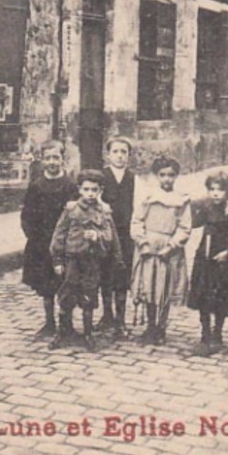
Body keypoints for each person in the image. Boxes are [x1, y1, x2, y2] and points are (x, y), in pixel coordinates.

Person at [49, 169, 124, 350]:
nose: (90, 194)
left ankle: (88, 334)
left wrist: (97, 236)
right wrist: (57, 260)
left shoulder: (104, 212)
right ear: (79, 190)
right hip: (71, 260)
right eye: (86, 189)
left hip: (92, 262)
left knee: (89, 297)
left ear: (100, 191)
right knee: (67, 296)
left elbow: (110, 236)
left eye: (94, 190)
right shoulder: (71, 210)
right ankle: (64, 332)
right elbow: (59, 235)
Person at [130, 155, 192, 346]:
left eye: (171, 175)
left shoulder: (181, 201)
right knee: (148, 287)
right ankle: (150, 326)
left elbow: (185, 228)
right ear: (156, 176)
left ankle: (161, 327)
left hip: (168, 249)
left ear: (176, 177)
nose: (167, 179)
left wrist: (171, 246)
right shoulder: (147, 198)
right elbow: (136, 221)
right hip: (148, 248)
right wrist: (143, 242)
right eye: (162, 175)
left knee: (164, 289)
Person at [187, 171, 228, 355]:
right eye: (212, 189)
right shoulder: (206, 209)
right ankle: (205, 335)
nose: (215, 193)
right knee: (203, 297)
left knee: (221, 298)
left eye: (220, 190)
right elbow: (192, 223)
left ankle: (218, 335)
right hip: (205, 260)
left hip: (224, 263)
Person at [20, 141, 78, 339]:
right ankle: (49, 322)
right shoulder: (36, 186)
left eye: (56, 157)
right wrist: (34, 238)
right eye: (48, 158)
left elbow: (77, 214)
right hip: (41, 243)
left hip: (65, 243)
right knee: (45, 285)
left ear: (63, 159)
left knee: (66, 283)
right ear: (42, 160)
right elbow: (27, 215)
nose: (52, 162)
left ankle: (67, 323)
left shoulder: (70, 186)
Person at [98, 136, 136, 337]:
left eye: (124, 152)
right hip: (106, 234)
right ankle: (107, 315)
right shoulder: (101, 178)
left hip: (126, 235)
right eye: (116, 152)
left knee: (122, 275)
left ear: (129, 156)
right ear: (108, 154)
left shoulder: (133, 179)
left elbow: (139, 207)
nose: (120, 156)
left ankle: (120, 320)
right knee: (105, 274)